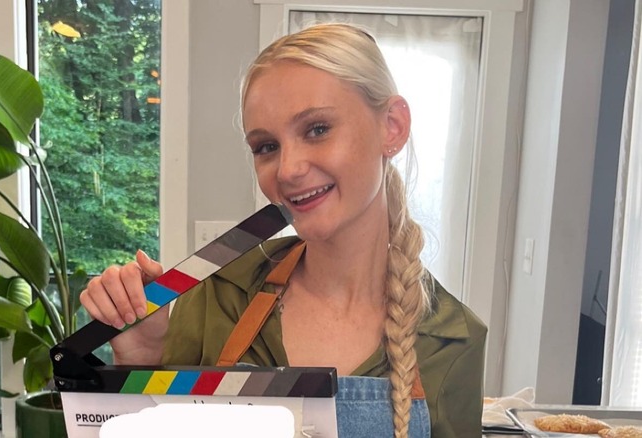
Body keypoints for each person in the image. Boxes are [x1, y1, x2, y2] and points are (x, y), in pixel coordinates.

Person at [80, 23, 487, 438]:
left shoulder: (455, 340)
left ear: (393, 126)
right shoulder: (218, 293)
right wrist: (145, 358)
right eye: (266, 147)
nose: (288, 170)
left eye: (317, 129)